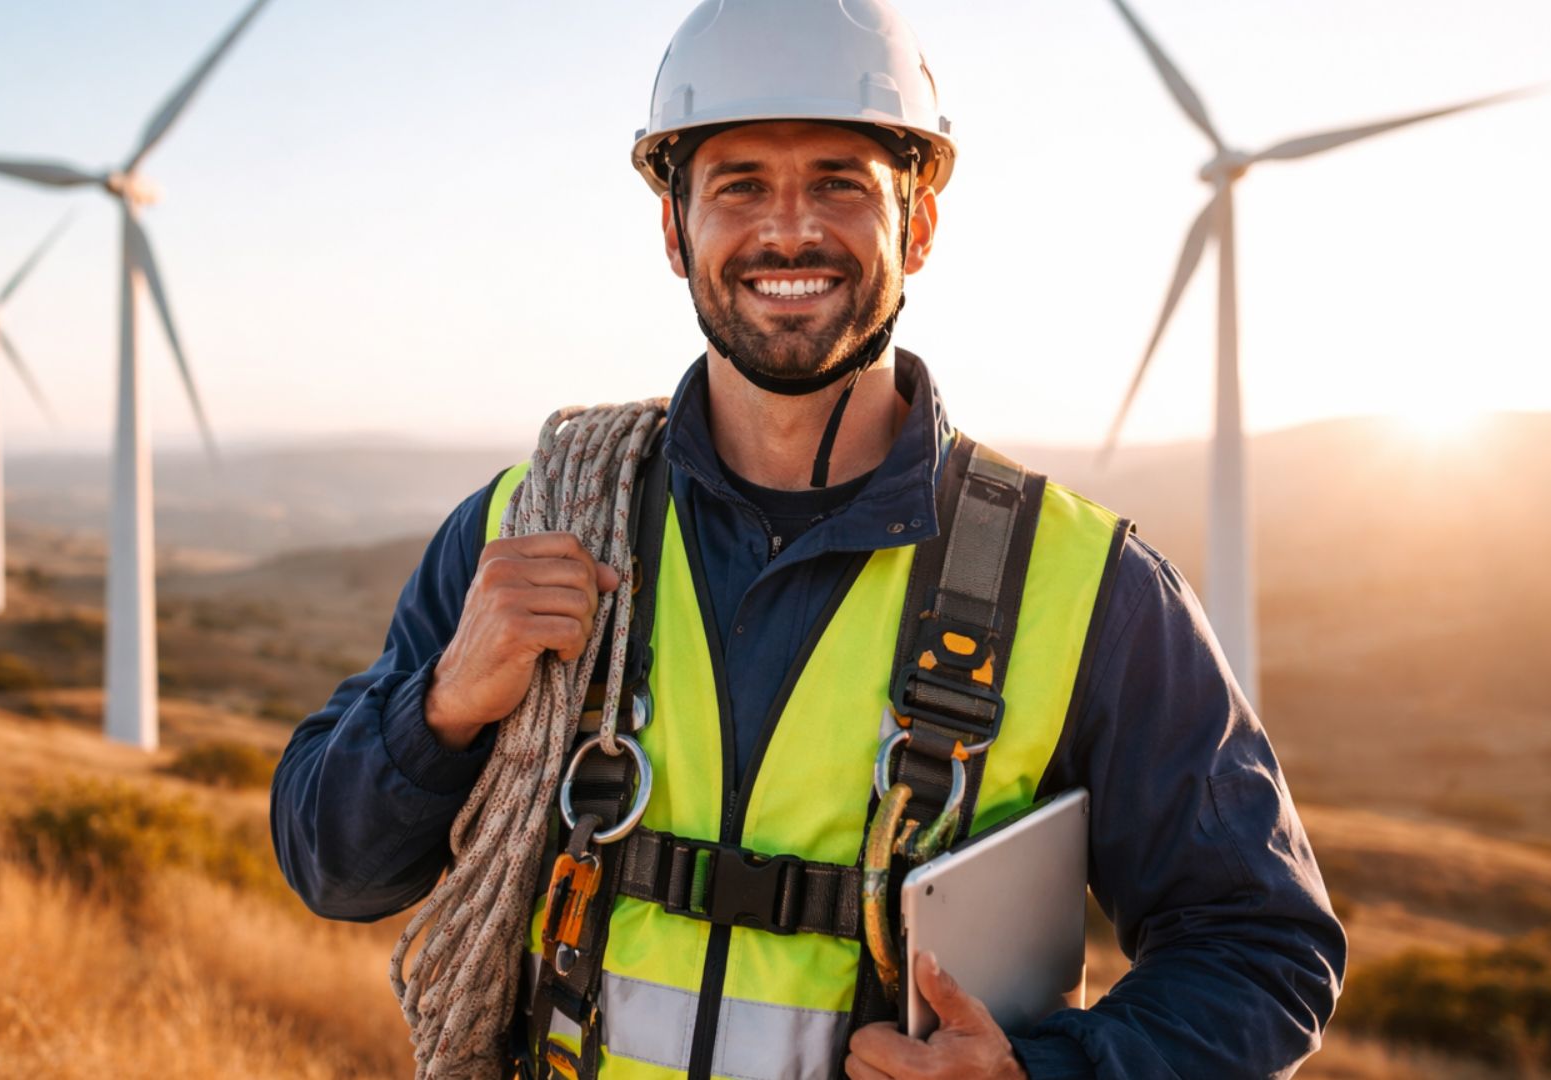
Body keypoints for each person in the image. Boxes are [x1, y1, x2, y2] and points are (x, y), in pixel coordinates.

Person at [271, 1, 1346, 1076]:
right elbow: (335, 870)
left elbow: (1261, 945)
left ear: (917, 226)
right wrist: (444, 708)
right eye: (740, 185)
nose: (789, 231)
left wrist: (1046, 1073)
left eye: (839, 181)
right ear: (673, 228)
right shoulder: (531, 521)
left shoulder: (1085, 586)